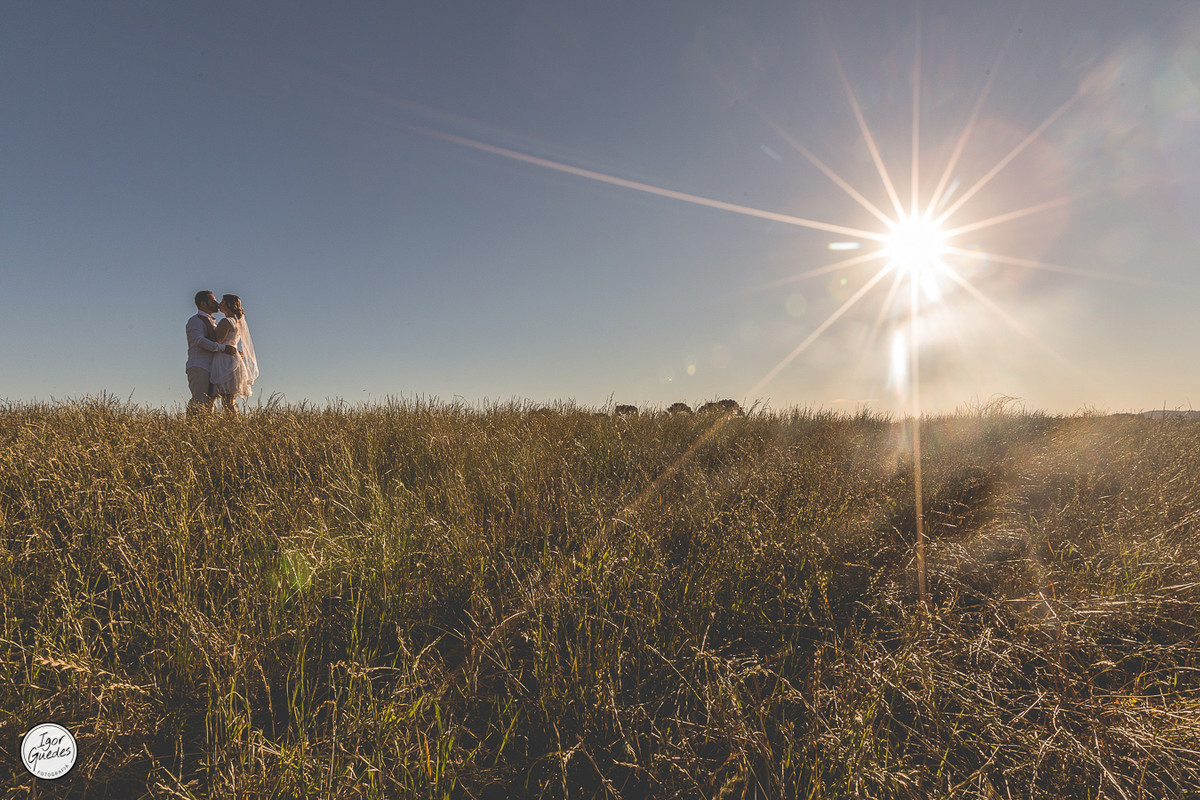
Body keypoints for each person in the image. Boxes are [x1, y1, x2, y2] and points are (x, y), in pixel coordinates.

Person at [185, 290, 239, 417]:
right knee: (200, 399)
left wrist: (234, 351)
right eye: (213, 301)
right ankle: (191, 429)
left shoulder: (213, 322)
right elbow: (199, 340)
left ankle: (205, 430)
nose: (216, 303)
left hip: (214, 366)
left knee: (210, 403)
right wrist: (223, 348)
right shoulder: (195, 321)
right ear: (203, 304)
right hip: (200, 366)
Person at [209, 294, 259, 415]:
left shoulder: (226, 321)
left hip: (225, 361)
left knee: (226, 401)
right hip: (234, 360)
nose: (219, 303)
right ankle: (235, 425)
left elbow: (218, 341)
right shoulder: (236, 322)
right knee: (230, 401)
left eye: (222, 301)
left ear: (227, 305)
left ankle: (236, 425)